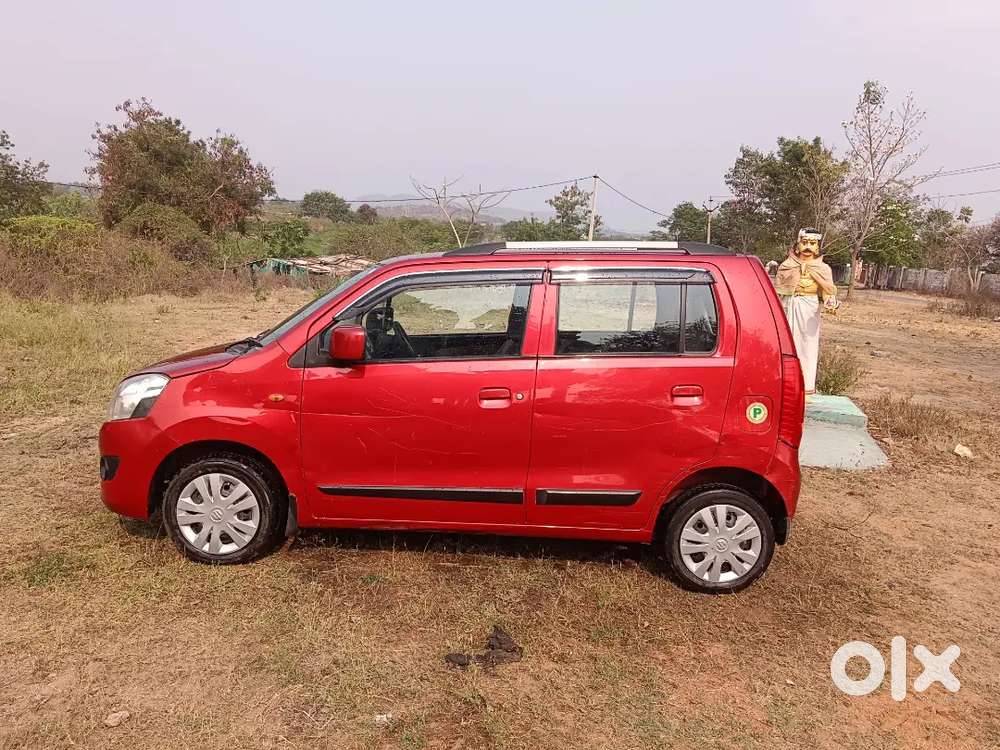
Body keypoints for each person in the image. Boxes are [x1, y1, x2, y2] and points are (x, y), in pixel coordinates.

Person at [775, 228, 839, 397]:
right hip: (789, 306)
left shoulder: (823, 268)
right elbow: (779, 291)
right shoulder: (787, 265)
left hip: (810, 308)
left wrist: (829, 302)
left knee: (808, 346)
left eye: (812, 244)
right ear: (798, 245)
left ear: (817, 248)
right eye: (805, 243)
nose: (808, 247)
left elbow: (828, 290)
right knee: (787, 344)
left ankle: (806, 388)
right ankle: (786, 385)